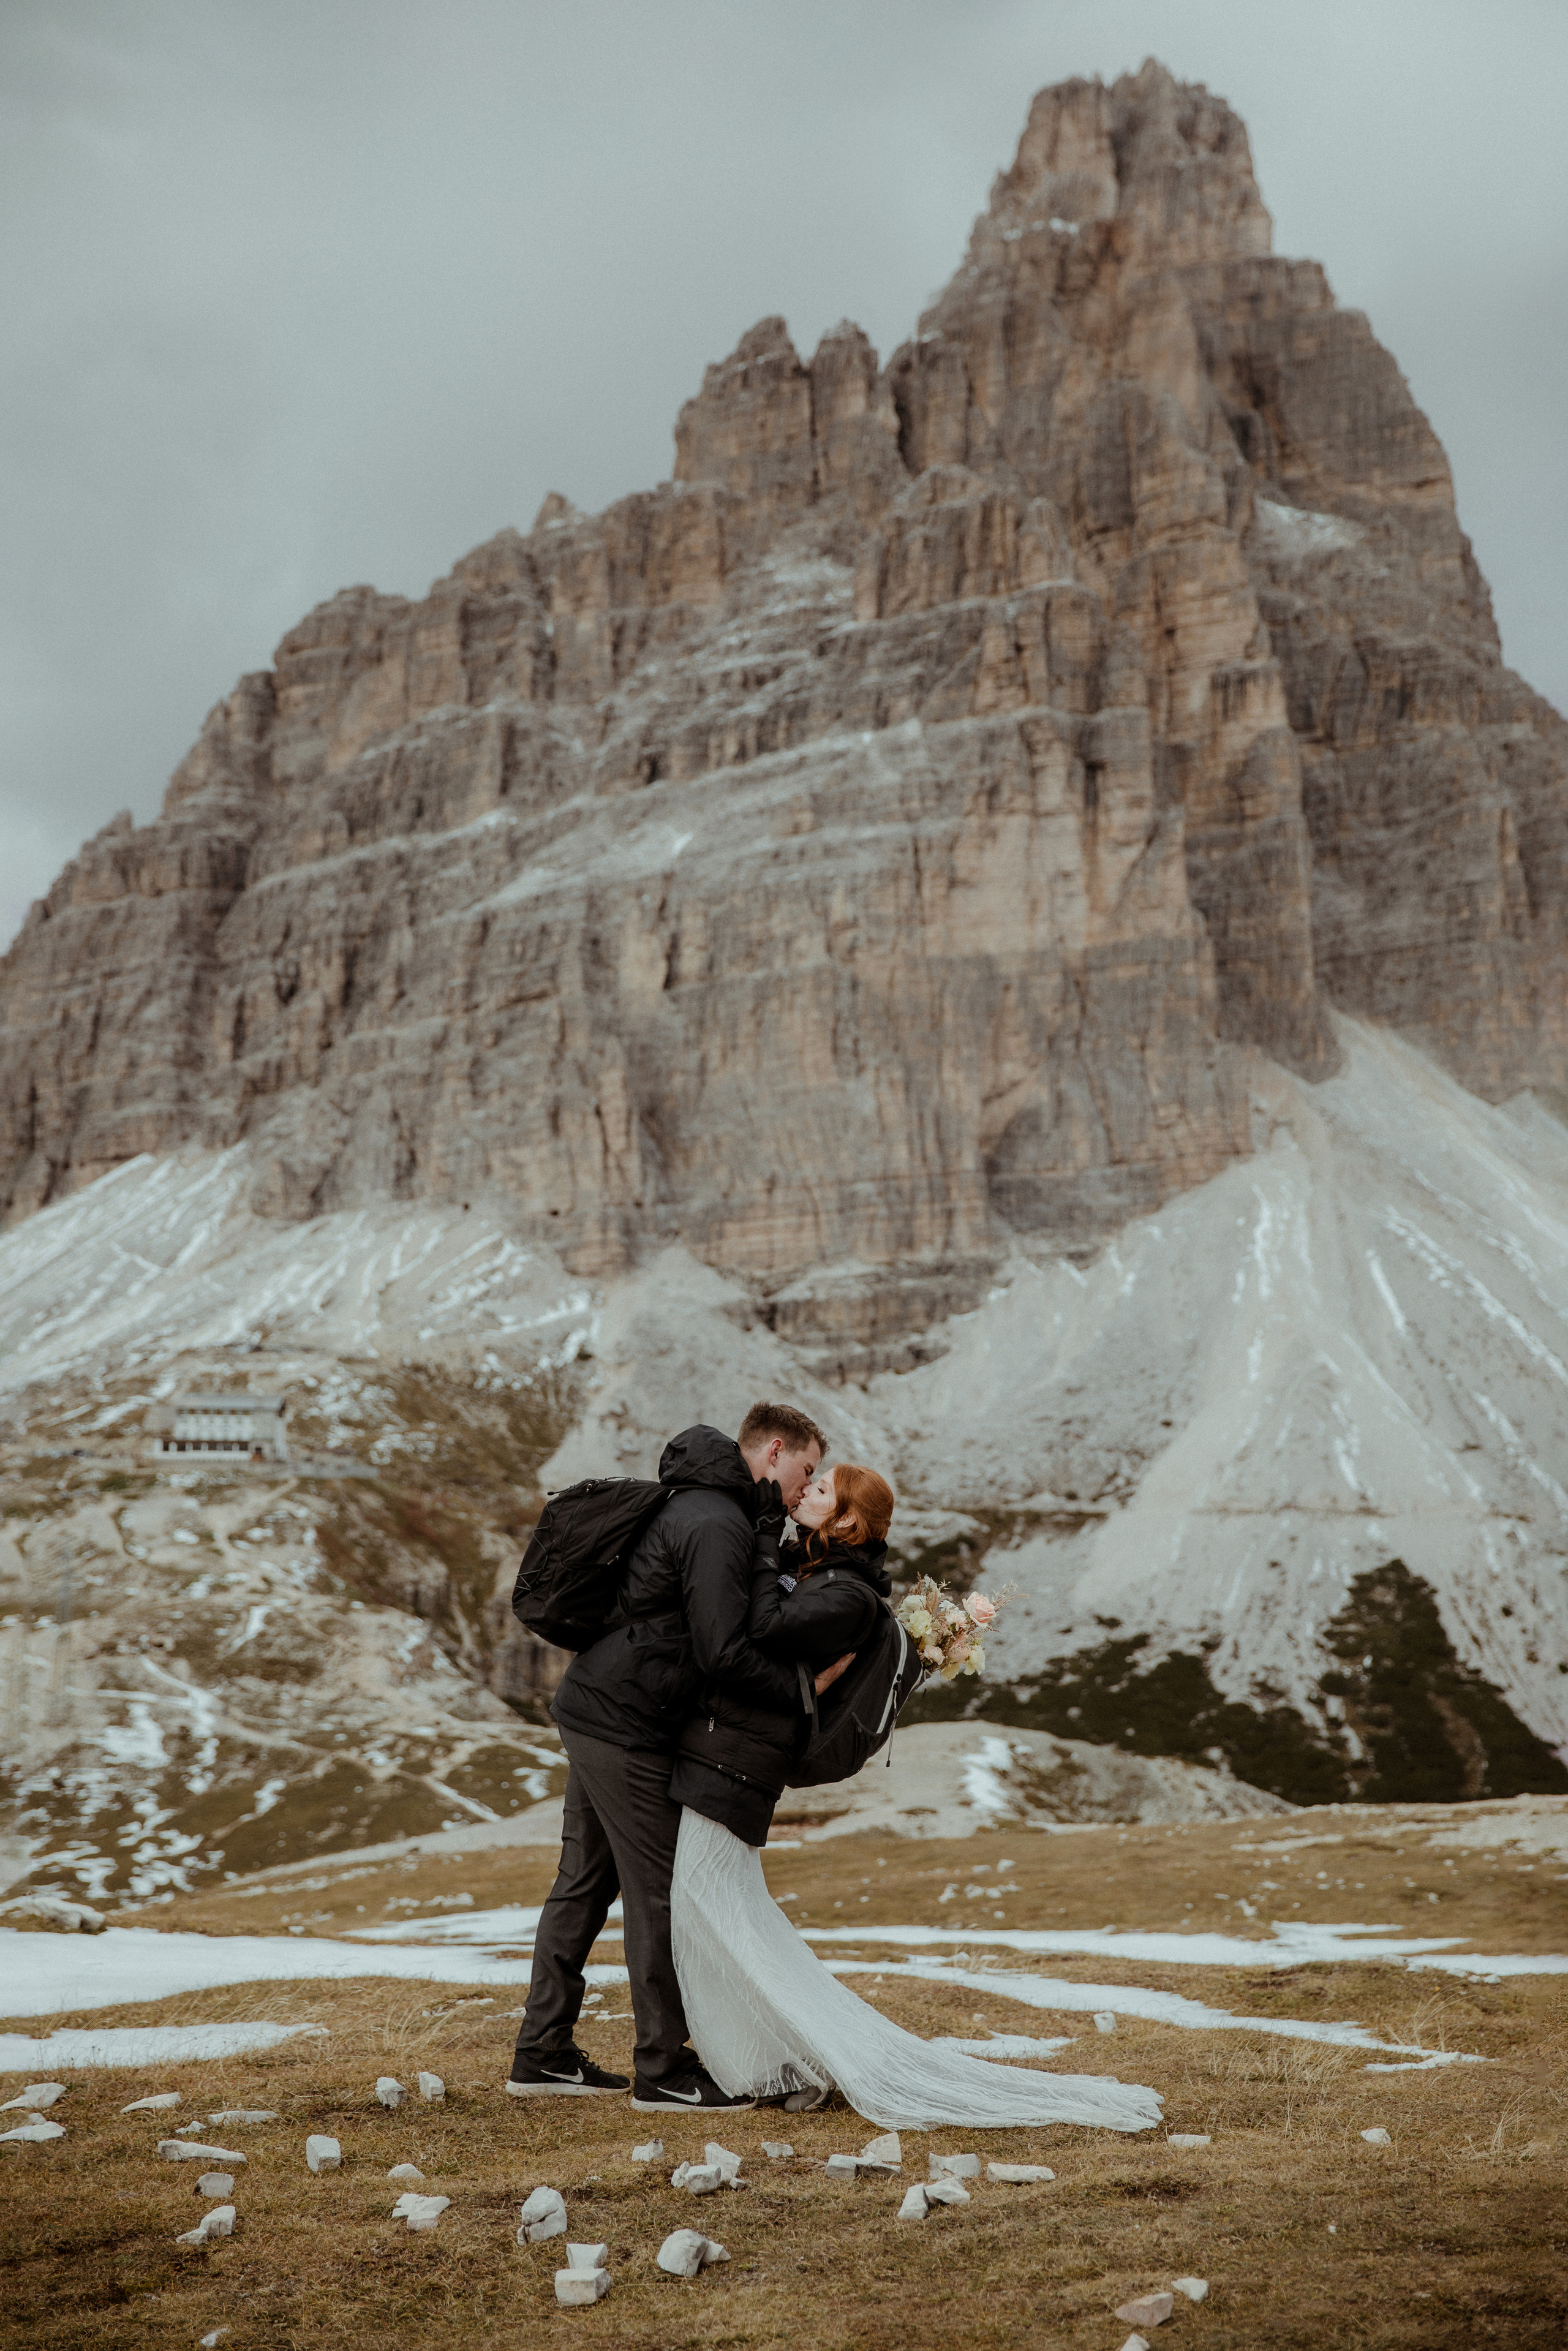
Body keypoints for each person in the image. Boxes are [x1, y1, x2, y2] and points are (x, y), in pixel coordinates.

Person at [667, 1461, 1164, 2135]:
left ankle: (797, 2063)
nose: (803, 1492)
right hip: (738, 1757)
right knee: (720, 1912)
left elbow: (762, 1624)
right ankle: (778, 2064)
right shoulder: (829, 1573)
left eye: (819, 1489)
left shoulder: (846, 1594)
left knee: (719, 1912)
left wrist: (758, 1543)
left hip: (743, 1764)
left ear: (845, 1519)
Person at [506, 1402, 853, 2114]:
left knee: (584, 1881)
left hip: (600, 1705)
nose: (805, 1488)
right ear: (775, 1450)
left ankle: (542, 2053)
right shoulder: (717, 1521)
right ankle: (662, 2067)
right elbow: (723, 1650)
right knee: (659, 1889)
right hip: (625, 1721)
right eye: (807, 1470)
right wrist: (799, 1687)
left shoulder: (712, 1506)